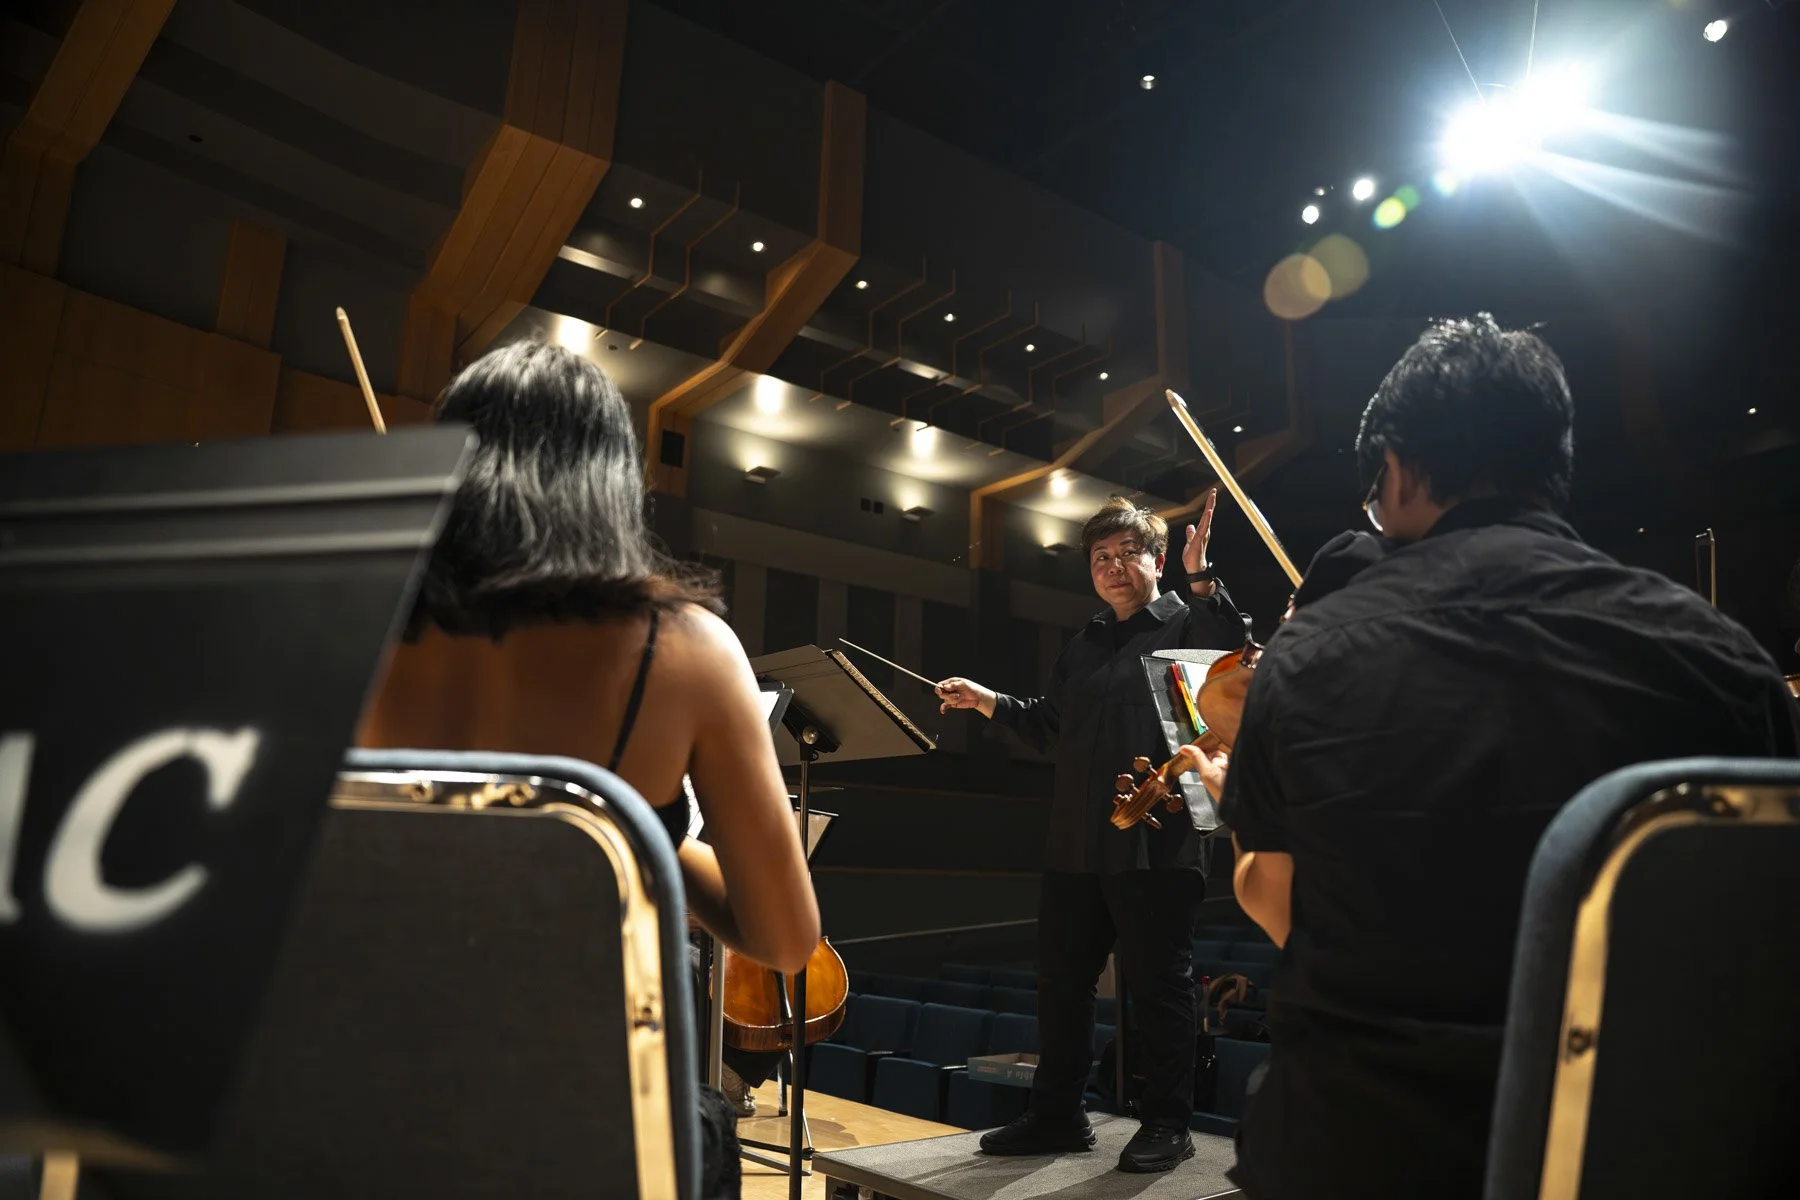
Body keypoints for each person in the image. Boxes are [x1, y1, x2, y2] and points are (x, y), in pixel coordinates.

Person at [1176, 314, 1800, 1199]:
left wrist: (1238, 796)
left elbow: (1280, 906)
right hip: (1640, 1156)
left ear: (1395, 471)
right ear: (1553, 464)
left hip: (1363, 1153)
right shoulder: (1723, 658)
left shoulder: (1308, 656)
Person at [358, 341, 822, 1196]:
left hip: (381, 1082)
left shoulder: (359, 624)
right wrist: (631, 831)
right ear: (611, 478)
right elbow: (785, 939)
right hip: (589, 1109)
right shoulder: (686, 648)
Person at [936, 491, 1250, 1173]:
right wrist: (986, 701)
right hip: (1077, 841)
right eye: (1100, 556)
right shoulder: (1086, 642)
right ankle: (1058, 1116)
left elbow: (1235, 652)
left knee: (1159, 986)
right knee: (1062, 984)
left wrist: (1202, 576)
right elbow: (1050, 722)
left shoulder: (1188, 622)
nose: (1112, 566)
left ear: (1157, 561)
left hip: (1159, 839)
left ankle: (1167, 1122)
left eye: (1128, 553)